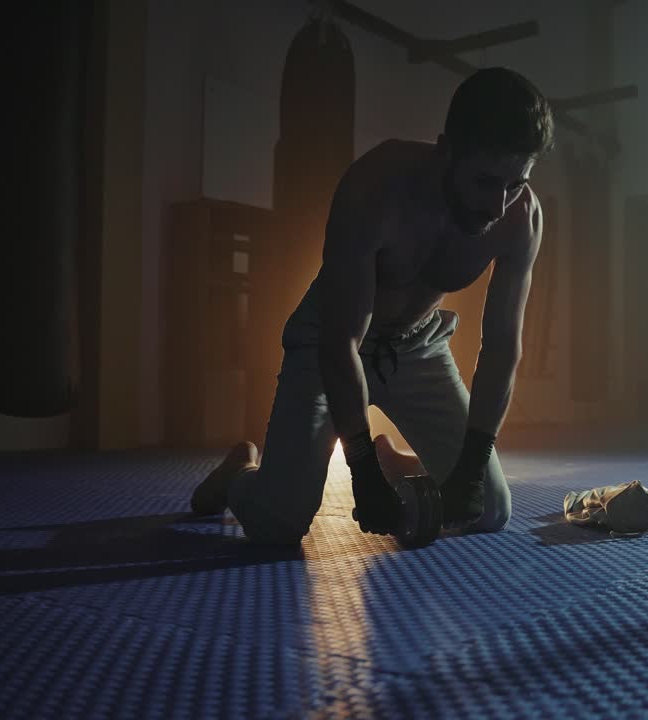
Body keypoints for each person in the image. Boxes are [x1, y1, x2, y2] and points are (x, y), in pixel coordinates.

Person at [190, 67, 553, 545]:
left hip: (419, 345)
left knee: (490, 509)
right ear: (446, 151)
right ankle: (240, 473)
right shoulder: (375, 189)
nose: (498, 204)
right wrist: (359, 470)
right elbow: (341, 340)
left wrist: (470, 465)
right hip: (332, 340)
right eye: (486, 182)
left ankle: (395, 459)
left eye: (516, 183)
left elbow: (503, 345)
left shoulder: (521, 217)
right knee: (278, 524)